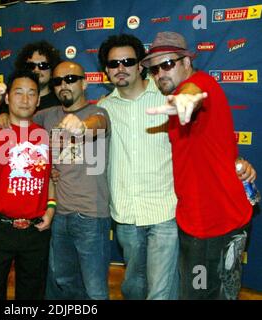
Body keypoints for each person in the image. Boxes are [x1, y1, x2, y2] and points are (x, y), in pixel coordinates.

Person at [97, 34, 256, 300]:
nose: (160, 73)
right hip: (192, 222)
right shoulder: (112, 107)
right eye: (155, 68)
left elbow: (193, 92)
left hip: (216, 222)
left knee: (202, 291)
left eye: (168, 64)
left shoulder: (198, 85)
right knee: (195, 290)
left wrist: (187, 99)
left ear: (186, 61)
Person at [97, 34, 179, 300]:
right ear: (106, 71)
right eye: (113, 64)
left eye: (128, 61)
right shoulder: (103, 108)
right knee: (133, 287)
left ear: (140, 65)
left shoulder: (168, 100)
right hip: (125, 214)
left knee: (160, 291)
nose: (121, 68)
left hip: (164, 211)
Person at [0, 70, 55, 300]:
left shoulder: (45, 135)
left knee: (32, 294)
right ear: (7, 98)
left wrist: (51, 207)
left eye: (31, 94)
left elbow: (49, 178)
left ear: (38, 100)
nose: (25, 99)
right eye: (18, 93)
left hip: (35, 231)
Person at [34, 61, 112, 300]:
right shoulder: (47, 116)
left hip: (91, 216)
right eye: (57, 81)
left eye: (70, 79)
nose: (63, 85)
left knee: (95, 289)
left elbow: (100, 125)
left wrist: (81, 126)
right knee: (65, 283)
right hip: (60, 215)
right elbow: (21, 121)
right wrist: (5, 115)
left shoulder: (97, 113)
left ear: (84, 83)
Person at [0, 40, 62, 126]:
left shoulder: (60, 101)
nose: (36, 70)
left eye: (43, 66)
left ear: (53, 69)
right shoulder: (10, 101)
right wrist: (3, 116)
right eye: (31, 66)